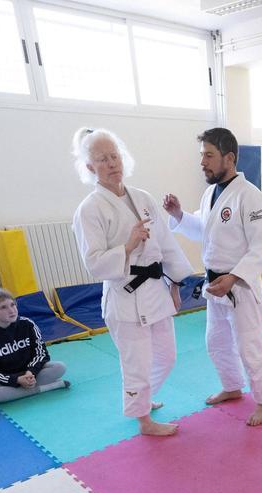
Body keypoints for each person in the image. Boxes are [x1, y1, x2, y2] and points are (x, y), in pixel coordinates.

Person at [72, 128, 194, 436]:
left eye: (114, 156)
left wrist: (177, 283)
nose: (112, 163)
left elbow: (166, 244)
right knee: (136, 364)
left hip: (156, 288)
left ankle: (143, 399)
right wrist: (127, 245)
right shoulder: (89, 210)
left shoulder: (143, 198)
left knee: (167, 357)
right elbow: (94, 263)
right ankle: (144, 421)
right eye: (102, 159)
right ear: (90, 167)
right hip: (125, 297)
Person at [163, 128, 262, 426]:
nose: (203, 162)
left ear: (229, 158)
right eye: (202, 155)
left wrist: (235, 277)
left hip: (239, 287)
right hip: (214, 285)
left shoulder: (252, 198)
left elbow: (259, 249)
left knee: (249, 345)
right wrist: (178, 215)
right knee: (216, 341)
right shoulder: (210, 193)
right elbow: (205, 228)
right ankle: (232, 385)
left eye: (209, 155)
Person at [0, 289, 69, 404]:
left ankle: (20, 390)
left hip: (29, 373)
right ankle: (45, 387)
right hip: (5, 378)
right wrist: (16, 380)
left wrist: (31, 372)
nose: (11, 310)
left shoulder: (27, 324)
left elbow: (41, 353)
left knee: (59, 367)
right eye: (3, 307)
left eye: (13, 305)